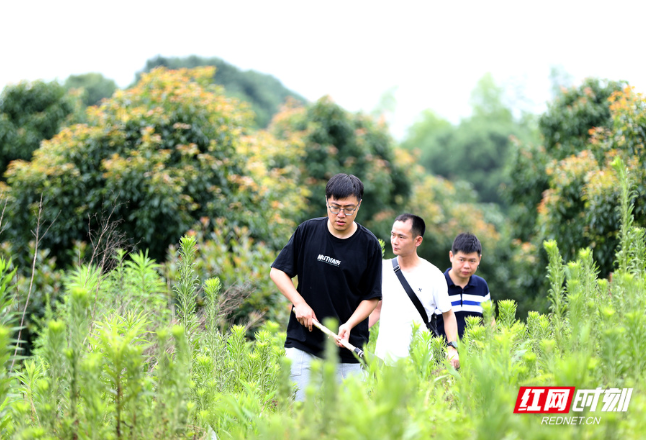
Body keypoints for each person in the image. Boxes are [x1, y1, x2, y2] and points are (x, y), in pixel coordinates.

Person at [270, 173, 382, 401]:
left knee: (344, 425)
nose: (341, 214)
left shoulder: (369, 245)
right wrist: (299, 303)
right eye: (335, 207)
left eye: (349, 209)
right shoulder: (307, 231)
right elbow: (277, 271)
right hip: (303, 343)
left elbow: (372, 297)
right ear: (326, 202)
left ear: (359, 205)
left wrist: (349, 325)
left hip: (347, 349)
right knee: (300, 416)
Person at [369, 213, 459, 368]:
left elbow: (448, 314)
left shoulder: (433, 275)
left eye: (401, 237)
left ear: (418, 240)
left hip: (420, 362)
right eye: (393, 235)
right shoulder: (382, 269)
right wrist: (352, 330)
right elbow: (377, 309)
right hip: (384, 360)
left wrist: (452, 347)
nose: (394, 241)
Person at [436, 232, 491, 339]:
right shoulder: (437, 284)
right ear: (451, 256)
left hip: (474, 354)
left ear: (479, 259)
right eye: (461, 260)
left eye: (472, 261)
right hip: (443, 353)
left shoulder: (482, 286)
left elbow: (489, 321)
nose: (466, 266)